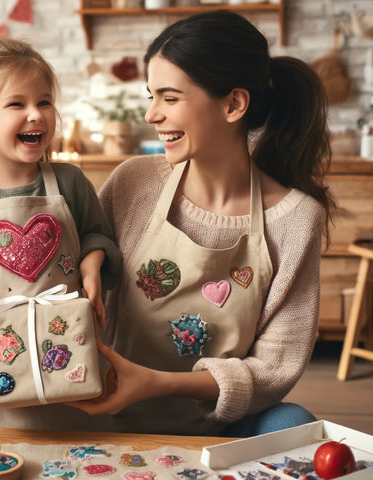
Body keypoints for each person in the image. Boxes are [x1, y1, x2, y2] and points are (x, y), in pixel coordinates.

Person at [69, 10, 336, 437]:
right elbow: (68, 275)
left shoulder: (297, 218)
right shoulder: (132, 182)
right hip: (111, 412)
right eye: (150, 96)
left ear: (233, 104)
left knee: (294, 424)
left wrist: (159, 384)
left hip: (221, 426)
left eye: (170, 98)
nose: (152, 115)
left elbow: (275, 366)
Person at [0, 37, 121, 430]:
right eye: (17, 104)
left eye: (44, 102)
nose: (36, 114)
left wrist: (92, 266)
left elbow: (97, 237)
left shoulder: (71, 181)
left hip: (71, 352)